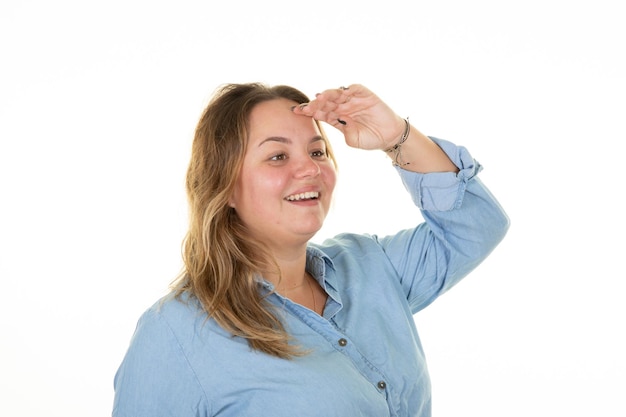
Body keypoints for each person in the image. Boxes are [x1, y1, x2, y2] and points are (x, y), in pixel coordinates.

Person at [112, 83, 509, 417]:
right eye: (278, 156)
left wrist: (396, 137)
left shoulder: (371, 265)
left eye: (317, 152)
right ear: (226, 186)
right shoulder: (175, 332)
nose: (310, 169)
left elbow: (476, 227)